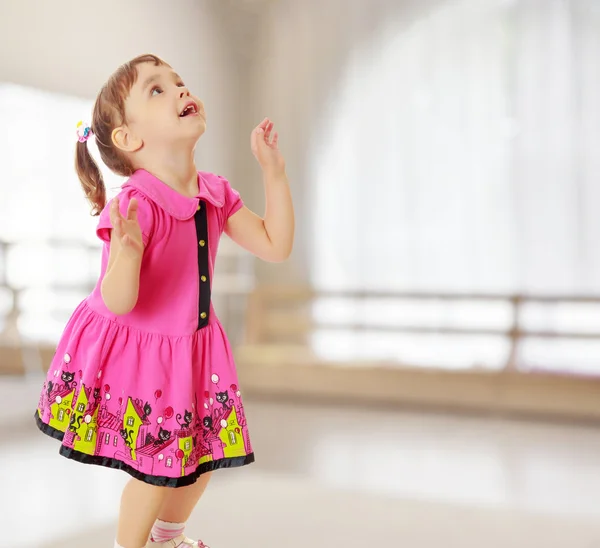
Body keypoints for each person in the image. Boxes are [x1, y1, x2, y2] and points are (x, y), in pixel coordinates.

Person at [34, 53, 294, 548]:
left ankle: (165, 540)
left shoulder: (214, 193)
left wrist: (274, 173)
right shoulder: (136, 204)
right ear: (129, 140)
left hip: (192, 348)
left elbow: (275, 245)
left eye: (178, 82)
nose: (179, 89)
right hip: (144, 352)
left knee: (203, 461)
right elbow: (117, 301)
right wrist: (127, 254)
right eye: (157, 89)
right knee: (156, 469)